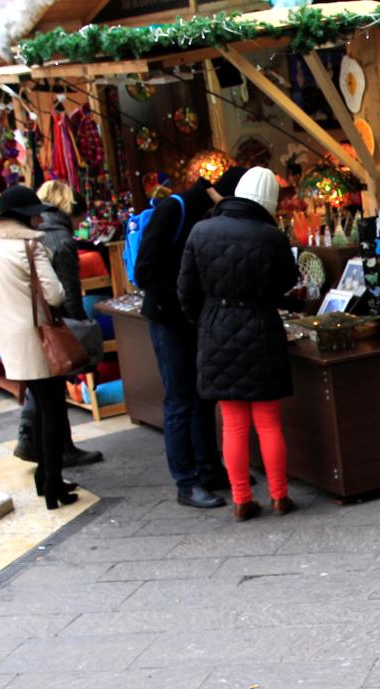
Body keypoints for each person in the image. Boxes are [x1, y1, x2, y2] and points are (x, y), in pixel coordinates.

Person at [178, 167, 298, 521]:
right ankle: (279, 496)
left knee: (232, 423)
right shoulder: (270, 235)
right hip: (261, 325)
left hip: (216, 327)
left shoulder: (201, 231)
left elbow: (186, 289)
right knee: (268, 421)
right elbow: (287, 281)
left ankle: (242, 500)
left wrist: (205, 320)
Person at [134, 164, 247, 509]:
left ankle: (209, 468)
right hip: (170, 320)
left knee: (203, 395)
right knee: (180, 399)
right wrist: (185, 300)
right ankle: (186, 481)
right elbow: (145, 272)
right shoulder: (176, 208)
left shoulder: (211, 214)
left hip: (196, 319)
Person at [0, 184, 76, 510]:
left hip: (10, 340)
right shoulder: (29, 248)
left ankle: (44, 479)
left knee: (39, 405)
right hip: (37, 338)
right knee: (52, 411)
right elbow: (54, 295)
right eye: (35, 214)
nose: (40, 219)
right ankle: (53, 484)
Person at [12, 179, 103, 468]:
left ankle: (30, 438)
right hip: (55, 318)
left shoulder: (31, 233)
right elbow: (67, 291)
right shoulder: (61, 239)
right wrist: (78, 326)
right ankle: (59, 450)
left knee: (41, 383)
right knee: (52, 388)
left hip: (30, 318)